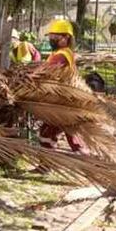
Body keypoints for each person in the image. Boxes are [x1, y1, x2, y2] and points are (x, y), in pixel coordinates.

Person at [38, 19, 87, 154]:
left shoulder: (62, 55)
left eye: (55, 37)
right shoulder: (60, 53)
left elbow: (47, 72)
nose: (51, 39)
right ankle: (86, 159)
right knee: (70, 135)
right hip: (64, 100)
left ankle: (48, 162)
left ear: (66, 38)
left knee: (48, 133)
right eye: (50, 36)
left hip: (63, 102)